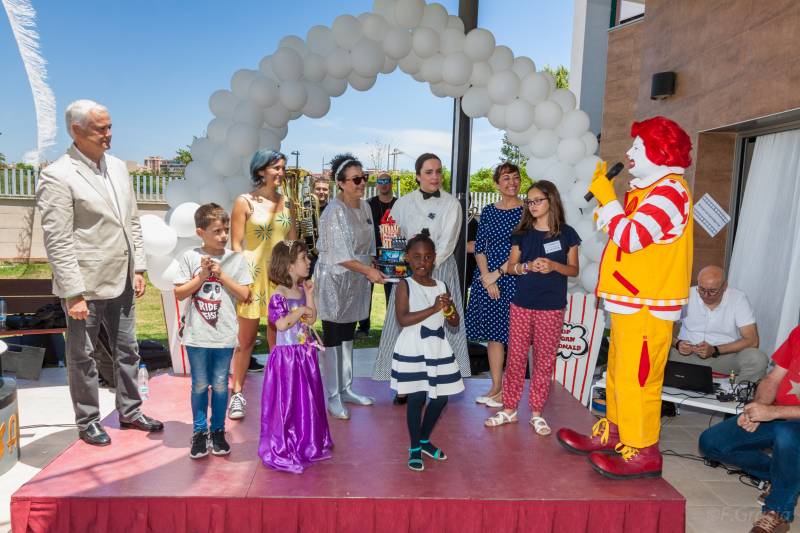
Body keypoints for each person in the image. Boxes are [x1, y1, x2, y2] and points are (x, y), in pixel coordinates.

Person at [557, 116, 694, 480]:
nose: (630, 153)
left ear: (661, 151)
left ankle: (643, 449)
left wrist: (607, 199)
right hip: (631, 301)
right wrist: (612, 202)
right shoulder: (650, 192)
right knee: (619, 375)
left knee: (639, 380)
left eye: (638, 146)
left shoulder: (669, 193)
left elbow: (631, 238)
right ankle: (617, 434)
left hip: (648, 305)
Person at [37, 99, 163, 446]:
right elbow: (58, 239)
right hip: (85, 286)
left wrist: (137, 267)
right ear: (76, 131)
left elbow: (131, 222)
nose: (109, 134)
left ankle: (131, 410)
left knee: (129, 350)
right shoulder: (58, 175)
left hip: (122, 278)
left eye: (110, 126)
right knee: (83, 355)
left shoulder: (119, 167)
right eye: (101, 128)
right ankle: (88, 419)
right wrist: (72, 292)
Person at [484, 182, 580, 435]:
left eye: (538, 200)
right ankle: (509, 409)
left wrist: (553, 266)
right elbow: (511, 267)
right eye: (530, 201)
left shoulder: (567, 234)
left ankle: (536, 413)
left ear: (551, 201)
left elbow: (574, 270)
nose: (532, 205)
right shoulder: (522, 233)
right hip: (522, 304)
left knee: (543, 361)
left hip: (552, 307)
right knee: (515, 359)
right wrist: (527, 267)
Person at [373, 153, 471, 394]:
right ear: (418, 176)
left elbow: (448, 244)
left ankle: (443, 378)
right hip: (408, 272)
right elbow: (393, 238)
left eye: (438, 171)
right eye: (429, 172)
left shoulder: (452, 204)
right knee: (403, 323)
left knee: (443, 323)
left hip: (440, 269)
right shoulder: (402, 203)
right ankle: (403, 384)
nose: (435, 176)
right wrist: (404, 266)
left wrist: (427, 268)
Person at [699, 325, 800, 533]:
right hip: (779, 415)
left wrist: (773, 413)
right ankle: (784, 477)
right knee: (712, 443)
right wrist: (757, 410)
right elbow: (773, 379)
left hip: (785, 420)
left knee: (787, 434)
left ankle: (778, 513)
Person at [173, 204, 251, 459]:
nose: (223, 236)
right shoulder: (189, 257)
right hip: (197, 335)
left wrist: (222, 275)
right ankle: (199, 432)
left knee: (219, 384)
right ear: (200, 232)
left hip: (224, 335)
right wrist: (203, 276)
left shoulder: (235, 259)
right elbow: (179, 292)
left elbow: (245, 294)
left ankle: (218, 431)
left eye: (225, 230)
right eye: (216, 231)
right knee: (199, 384)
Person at [314, 153, 385, 419]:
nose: (361, 183)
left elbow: (369, 245)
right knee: (333, 336)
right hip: (334, 279)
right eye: (356, 179)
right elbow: (340, 255)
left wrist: (376, 263)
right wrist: (368, 270)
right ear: (340, 183)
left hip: (356, 280)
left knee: (348, 334)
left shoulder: (365, 207)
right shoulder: (334, 211)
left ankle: (346, 388)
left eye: (363, 177)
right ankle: (332, 395)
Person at [228, 150, 296, 421]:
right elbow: (235, 246)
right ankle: (237, 394)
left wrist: (295, 278)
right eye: (275, 168)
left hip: (279, 279)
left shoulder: (287, 203)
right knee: (245, 342)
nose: (280, 172)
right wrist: (240, 281)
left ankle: (279, 391)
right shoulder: (243, 202)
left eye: (282, 168)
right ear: (260, 171)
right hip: (252, 277)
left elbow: (292, 244)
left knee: (277, 340)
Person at [390, 232, 464, 471]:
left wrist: (449, 309)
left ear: (435, 259)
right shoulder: (405, 285)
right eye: (417, 257)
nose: (423, 262)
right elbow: (403, 319)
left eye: (428, 257)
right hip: (413, 346)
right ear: (408, 259)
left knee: (441, 397)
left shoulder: (442, 285)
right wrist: (433, 308)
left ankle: (423, 439)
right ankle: (414, 446)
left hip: (437, 347)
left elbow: (453, 323)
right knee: (417, 397)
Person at [259, 240, 333, 473]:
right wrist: (299, 310)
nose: (309, 261)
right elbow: (281, 324)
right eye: (304, 258)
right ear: (290, 265)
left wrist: (309, 296)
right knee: (288, 401)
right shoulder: (278, 295)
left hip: (304, 355)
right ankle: (286, 443)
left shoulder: (301, 290)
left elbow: (311, 320)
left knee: (307, 399)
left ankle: (307, 441)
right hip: (287, 358)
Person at [465, 163, 524, 408]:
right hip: (488, 279)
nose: (512, 182)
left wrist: (496, 275)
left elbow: (523, 248)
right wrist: (487, 277)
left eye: (516, 177)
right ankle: (496, 387)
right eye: (506, 178)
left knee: (516, 337)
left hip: (515, 277)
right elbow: (480, 247)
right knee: (494, 337)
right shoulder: (489, 211)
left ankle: (510, 390)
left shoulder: (527, 211)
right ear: (497, 184)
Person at [670, 265, 767, 383]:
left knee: (757, 359)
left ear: (724, 286)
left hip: (723, 357)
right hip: (686, 355)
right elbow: (661, 329)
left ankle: (735, 396)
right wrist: (678, 343)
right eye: (701, 289)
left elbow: (752, 341)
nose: (706, 295)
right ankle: (665, 396)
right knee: (655, 348)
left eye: (712, 291)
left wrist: (716, 350)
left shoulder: (738, 298)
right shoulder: (686, 295)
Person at [357, 172, 398, 337]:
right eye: (380, 181)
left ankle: (391, 327)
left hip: (393, 255)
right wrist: (370, 253)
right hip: (371, 253)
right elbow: (363, 230)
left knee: (392, 291)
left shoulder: (398, 204)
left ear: (391, 183)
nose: (383, 184)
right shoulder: (368, 204)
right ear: (377, 184)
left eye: (386, 181)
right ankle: (364, 327)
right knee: (366, 291)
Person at [307, 176, 330, 274]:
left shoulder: (333, 209)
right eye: (318, 189)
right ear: (313, 190)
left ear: (329, 192)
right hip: (307, 255)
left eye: (325, 189)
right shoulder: (304, 207)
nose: (321, 192)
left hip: (326, 255)